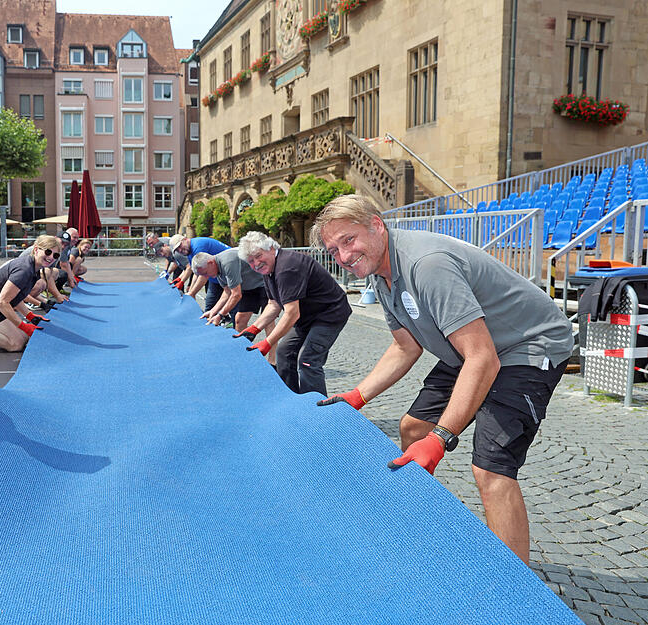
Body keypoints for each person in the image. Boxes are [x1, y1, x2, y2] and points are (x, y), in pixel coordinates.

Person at [313, 194, 573, 564]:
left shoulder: (426, 264)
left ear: (376, 224)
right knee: (414, 428)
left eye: (348, 240)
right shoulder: (382, 274)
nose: (342, 256)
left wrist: (443, 437)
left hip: (526, 345)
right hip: (469, 344)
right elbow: (405, 346)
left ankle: (514, 583)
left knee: (491, 466)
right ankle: (419, 527)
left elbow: (482, 358)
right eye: (333, 249)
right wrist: (359, 394)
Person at [236, 231, 351, 395]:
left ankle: (315, 410)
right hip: (307, 317)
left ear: (270, 248)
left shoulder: (287, 267)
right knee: (283, 352)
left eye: (258, 256)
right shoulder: (269, 269)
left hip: (329, 314)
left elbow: (291, 314)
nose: (256, 264)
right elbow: (273, 304)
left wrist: (267, 342)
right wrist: (253, 329)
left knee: (307, 360)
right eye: (251, 261)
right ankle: (290, 398)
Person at [191, 248, 270, 333]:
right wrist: (213, 311)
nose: (207, 276)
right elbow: (227, 292)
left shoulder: (227, 263)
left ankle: (271, 345)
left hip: (265, 281)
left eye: (206, 273)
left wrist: (220, 315)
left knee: (268, 319)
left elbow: (236, 294)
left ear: (210, 263)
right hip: (250, 286)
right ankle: (240, 345)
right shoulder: (216, 270)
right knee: (239, 320)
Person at [168, 234, 230, 311]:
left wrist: (192, 292)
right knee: (210, 303)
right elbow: (196, 273)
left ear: (185, 239)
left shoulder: (198, 247)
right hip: (216, 277)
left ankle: (230, 319)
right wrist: (191, 291)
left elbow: (203, 275)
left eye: (180, 246)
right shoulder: (189, 252)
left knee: (232, 303)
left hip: (229, 273)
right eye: (177, 250)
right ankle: (214, 319)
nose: (180, 250)